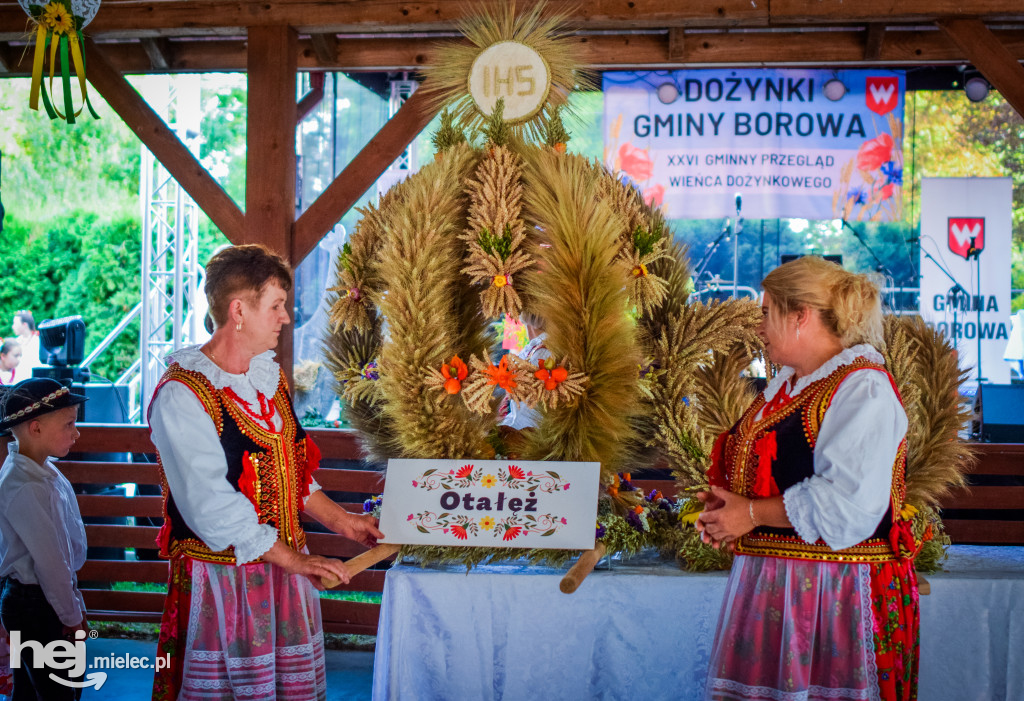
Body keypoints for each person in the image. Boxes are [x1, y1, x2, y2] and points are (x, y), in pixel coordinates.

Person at [149, 244, 384, 701]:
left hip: (283, 571)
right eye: (276, 305)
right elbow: (209, 505)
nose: (285, 317)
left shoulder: (266, 377)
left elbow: (290, 471)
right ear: (239, 310)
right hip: (226, 582)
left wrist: (343, 522)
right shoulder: (183, 395)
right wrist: (294, 560)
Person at [696, 256, 919, 701]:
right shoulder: (790, 384)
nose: (758, 327)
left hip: (836, 594)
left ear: (800, 316)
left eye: (765, 313)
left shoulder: (862, 388)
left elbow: (847, 505)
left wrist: (752, 513)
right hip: (777, 585)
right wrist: (731, 509)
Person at [0, 378, 90, 699]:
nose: (76, 433)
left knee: (33, 690)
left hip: (45, 597)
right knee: (60, 691)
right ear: (35, 428)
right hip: (35, 602)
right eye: (69, 424)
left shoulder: (42, 471)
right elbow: (51, 562)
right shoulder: (24, 484)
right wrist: (72, 616)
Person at [9, 313, 40, 384]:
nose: (13, 327)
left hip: (35, 385)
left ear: (24, 325)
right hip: (16, 386)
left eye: (15, 324)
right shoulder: (15, 343)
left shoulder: (39, 342)